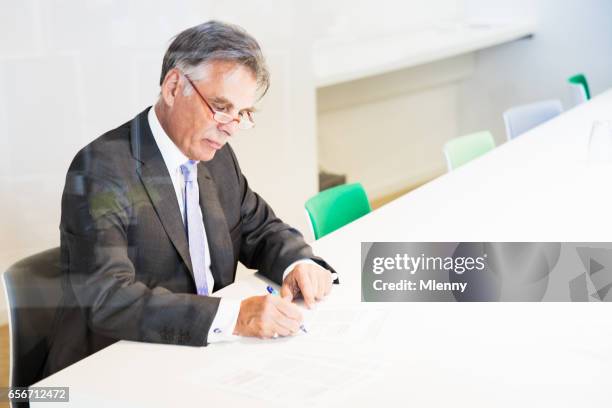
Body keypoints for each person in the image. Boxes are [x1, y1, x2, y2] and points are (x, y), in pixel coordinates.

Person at [44, 20, 336, 377]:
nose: (230, 126)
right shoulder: (101, 169)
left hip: (201, 356)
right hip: (115, 366)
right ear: (173, 87)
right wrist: (236, 317)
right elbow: (110, 299)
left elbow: (260, 228)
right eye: (220, 106)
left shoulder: (217, 155)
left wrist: (298, 263)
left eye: (242, 113)